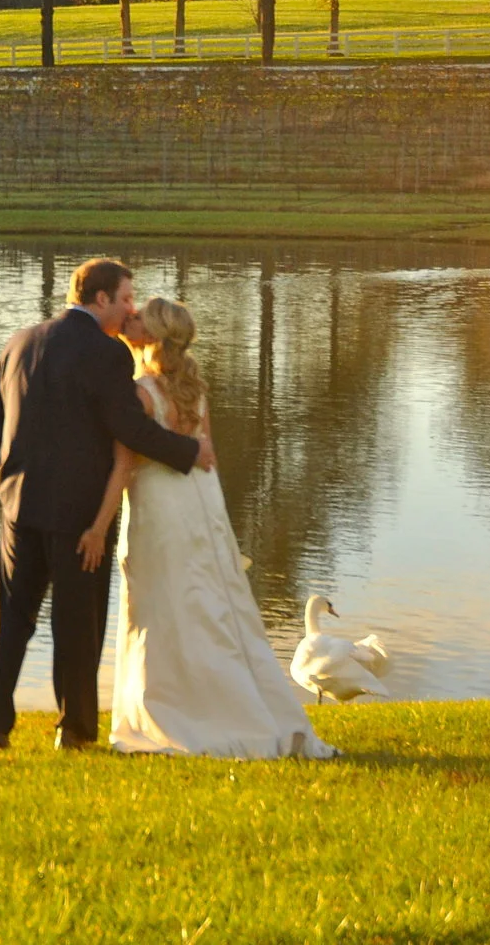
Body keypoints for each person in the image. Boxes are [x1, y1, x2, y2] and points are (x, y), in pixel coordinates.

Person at [90, 297, 337, 759]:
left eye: (140, 316)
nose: (132, 318)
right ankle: (238, 705)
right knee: (211, 605)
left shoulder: (141, 393)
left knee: (163, 607)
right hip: (202, 503)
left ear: (156, 336)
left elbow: (123, 467)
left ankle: (178, 715)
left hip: (161, 510)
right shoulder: (194, 390)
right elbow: (209, 457)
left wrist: (98, 526)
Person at [0, 258, 212, 750]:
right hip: (80, 514)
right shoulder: (106, 356)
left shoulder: (19, 341)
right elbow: (128, 428)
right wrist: (191, 452)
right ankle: (75, 729)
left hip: (18, 508)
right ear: (101, 298)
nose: (132, 309)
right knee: (78, 622)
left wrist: (4, 481)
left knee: (13, 617)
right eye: (127, 298)